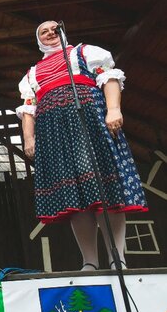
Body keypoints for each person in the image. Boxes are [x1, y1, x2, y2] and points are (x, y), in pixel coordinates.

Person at [16, 21, 147, 271]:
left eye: (55, 29)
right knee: (75, 196)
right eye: (44, 31)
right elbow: (29, 108)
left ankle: (117, 257)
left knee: (105, 189)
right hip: (55, 134)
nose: (51, 33)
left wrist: (113, 109)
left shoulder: (84, 52)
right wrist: (29, 138)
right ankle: (89, 261)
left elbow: (108, 77)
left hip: (90, 123)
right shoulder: (32, 73)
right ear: (38, 39)